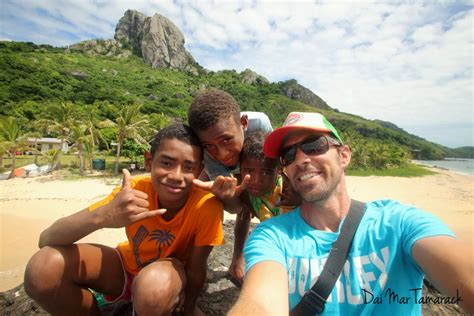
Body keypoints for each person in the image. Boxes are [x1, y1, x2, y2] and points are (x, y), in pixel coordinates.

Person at [229, 112, 474, 315]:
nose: (301, 159)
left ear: (344, 155)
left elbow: (462, 273)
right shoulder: (271, 237)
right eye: (289, 155)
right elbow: (259, 303)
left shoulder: (399, 223)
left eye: (314, 145)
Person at [24, 123, 224, 316]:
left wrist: (189, 307)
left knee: (153, 289)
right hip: (124, 267)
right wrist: (103, 216)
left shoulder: (205, 205)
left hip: (165, 279)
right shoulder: (134, 190)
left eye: (188, 167)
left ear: (199, 170)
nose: (176, 176)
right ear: (149, 161)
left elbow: (197, 269)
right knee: (42, 268)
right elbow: (46, 240)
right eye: (166, 163)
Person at [229, 130, 300, 285]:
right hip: (273, 244)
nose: (257, 180)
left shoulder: (289, 189)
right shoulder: (242, 187)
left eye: (267, 172)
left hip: (295, 248)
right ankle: (237, 262)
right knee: (243, 213)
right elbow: (237, 209)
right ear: (240, 169)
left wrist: (299, 199)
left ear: (279, 169)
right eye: (249, 171)